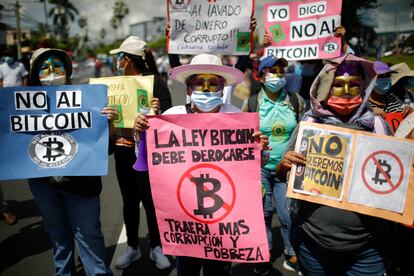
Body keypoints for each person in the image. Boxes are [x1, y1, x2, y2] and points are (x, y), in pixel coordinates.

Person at [134, 53, 269, 276]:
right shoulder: (171, 118)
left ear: (222, 88)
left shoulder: (237, 118)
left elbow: (253, 168)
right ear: (188, 88)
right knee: (187, 270)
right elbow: (148, 161)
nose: (206, 90)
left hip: (224, 224)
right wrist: (141, 133)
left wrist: (260, 150)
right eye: (199, 83)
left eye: (213, 83)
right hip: (186, 222)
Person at [277, 54, 392, 275]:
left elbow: (394, 180)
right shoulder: (309, 123)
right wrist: (285, 163)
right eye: (338, 85)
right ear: (326, 88)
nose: (346, 91)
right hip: (312, 244)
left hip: (368, 248)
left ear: (363, 87)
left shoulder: (378, 125)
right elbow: (283, 174)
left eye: (354, 85)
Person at [28, 47, 113, 276]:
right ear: (35, 73)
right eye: (44, 67)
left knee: (89, 238)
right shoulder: (21, 106)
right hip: (43, 183)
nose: (51, 71)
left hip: (81, 185)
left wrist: (107, 126)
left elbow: (106, 149)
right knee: (58, 238)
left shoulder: (88, 101)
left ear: (67, 70)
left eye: (57, 65)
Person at [108, 36, 173, 270]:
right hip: (122, 152)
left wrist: (157, 112)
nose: (117, 61)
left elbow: (168, 116)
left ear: (127, 60)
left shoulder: (155, 83)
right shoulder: (113, 85)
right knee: (129, 200)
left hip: (147, 154)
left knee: (151, 201)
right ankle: (132, 248)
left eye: (120, 57)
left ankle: (157, 247)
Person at [242, 56, 305, 275]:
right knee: (263, 213)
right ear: (261, 76)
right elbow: (239, 136)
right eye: (272, 71)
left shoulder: (296, 101)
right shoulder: (251, 103)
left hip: (288, 170)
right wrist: (253, 140)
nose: (277, 75)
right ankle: (264, 251)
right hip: (259, 168)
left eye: (280, 71)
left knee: (289, 214)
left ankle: (291, 251)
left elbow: (307, 130)